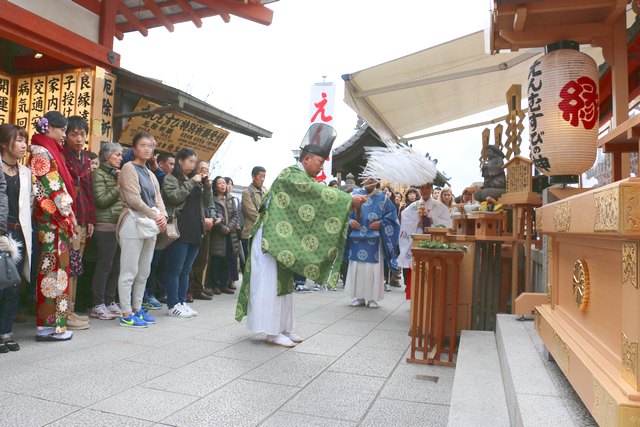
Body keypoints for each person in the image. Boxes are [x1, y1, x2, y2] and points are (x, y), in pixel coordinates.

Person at [236, 123, 366, 348]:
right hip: (269, 238)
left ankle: (284, 327)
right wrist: (347, 200)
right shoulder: (291, 174)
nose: (321, 168)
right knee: (270, 282)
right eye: (320, 162)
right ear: (306, 158)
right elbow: (315, 193)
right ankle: (271, 330)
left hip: (279, 238)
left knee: (283, 282)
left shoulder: (300, 176)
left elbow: (313, 198)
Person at [30, 111, 75, 341]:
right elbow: (51, 189)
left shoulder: (49, 150)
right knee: (51, 271)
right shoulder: (40, 151)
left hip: (55, 220)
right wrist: (67, 214)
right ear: (48, 128)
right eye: (62, 130)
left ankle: (54, 324)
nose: (64, 135)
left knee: (56, 271)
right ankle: (48, 326)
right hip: (52, 220)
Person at [117, 132, 167, 328]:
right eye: (143, 145)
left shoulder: (151, 173)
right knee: (129, 270)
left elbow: (158, 199)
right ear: (135, 149)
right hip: (132, 221)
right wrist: (156, 215)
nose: (147, 149)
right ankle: (126, 312)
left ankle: (137, 308)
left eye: (150, 146)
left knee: (144, 271)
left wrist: (163, 215)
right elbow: (132, 199)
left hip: (150, 224)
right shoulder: (128, 168)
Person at [162, 148, 212, 317]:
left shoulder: (195, 180)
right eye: (190, 161)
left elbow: (207, 203)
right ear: (180, 161)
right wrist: (192, 182)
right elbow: (174, 197)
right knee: (175, 269)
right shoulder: (171, 178)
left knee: (186, 270)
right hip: (179, 230)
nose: (193, 165)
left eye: (194, 162)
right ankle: (172, 304)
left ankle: (182, 302)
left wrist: (207, 186)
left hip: (196, 230)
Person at [346, 178, 399, 308]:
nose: (370, 181)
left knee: (373, 270)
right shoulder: (354, 194)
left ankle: (372, 298)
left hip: (374, 239)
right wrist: (349, 222)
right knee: (358, 268)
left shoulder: (383, 197)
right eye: (367, 178)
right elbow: (341, 212)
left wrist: (381, 223)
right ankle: (358, 297)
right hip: (356, 237)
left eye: (373, 179)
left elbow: (392, 216)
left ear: (377, 181)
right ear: (363, 179)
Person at [63, 116, 95, 330]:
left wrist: (91, 219)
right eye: (74, 133)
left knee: (76, 266)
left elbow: (89, 192)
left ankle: (72, 309)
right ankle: (65, 312)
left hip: (83, 221)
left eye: (82, 134)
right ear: (65, 135)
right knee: (68, 266)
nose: (79, 138)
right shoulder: (63, 157)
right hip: (68, 221)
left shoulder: (85, 159)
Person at [0, 124, 30, 352]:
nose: (24, 145)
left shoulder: (26, 172)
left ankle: (6, 332)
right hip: (1, 231)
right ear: (4, 143)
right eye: (19, 140)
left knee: (13, 283)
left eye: (24, 140)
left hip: (18, 234)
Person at [398, 182, 452, 299]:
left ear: (432, 189)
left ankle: (432, 296)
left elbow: (448, 223)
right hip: (418, 241)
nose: (425, 190)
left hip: (434, 241)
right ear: (419, 189)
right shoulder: (414, 206)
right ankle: (416, 298)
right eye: (422, 188)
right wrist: (417, 223)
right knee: (417, 269)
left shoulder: (440, 206)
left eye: (428, 187)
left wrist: (433, 219)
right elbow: (404, 217)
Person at [90, 142, 123, 320]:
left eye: (120, 155)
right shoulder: (98, 174)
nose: (120, 158)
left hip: (119, 225)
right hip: (105, 225)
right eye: (117, 155)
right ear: (106, 156)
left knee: (116, 266)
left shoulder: (115, 174)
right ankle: (98, 304)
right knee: (105, 265)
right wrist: (118, 187)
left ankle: (110, 300)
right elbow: (101, 201)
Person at [188, 160, 219, 301]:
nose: (205, 171)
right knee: (190, 261)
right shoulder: (192, 181)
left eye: (207, 168)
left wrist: (212, 218)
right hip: (194, 225)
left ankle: (198, 289)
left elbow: (210, 204)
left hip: (207, 227)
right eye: (202, 168)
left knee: (202, 260)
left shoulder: (207, 185)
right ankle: (188, 291)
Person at [206, 176, 239, 295]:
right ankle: (215, 285)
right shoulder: (212, 199)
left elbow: (236, 215)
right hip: (218, 234)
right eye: (219, 183)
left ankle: (224, 284)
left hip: (230, 234)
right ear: (215, 186)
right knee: (217, 259)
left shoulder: (230, 199)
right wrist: (222, 228)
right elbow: (213, 215)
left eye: (224, 183)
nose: (223, 185)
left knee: (228, 259)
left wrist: (229, 228)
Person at [240, 166, 266, 271]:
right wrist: (266, 218)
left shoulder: (265, 191)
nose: (263, 179)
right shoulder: (247, 192)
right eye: (260, 177)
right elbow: (251, 213)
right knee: (249, 265)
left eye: (264, 177)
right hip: (250, 233)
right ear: (253, 177)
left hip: (263, 233)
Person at [225, 177, 241, 290]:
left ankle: (232, 280)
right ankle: (226, 280)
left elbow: (238, 214)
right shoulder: (223, 198)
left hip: (235, 231)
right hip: (227, 229)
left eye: (231, 184)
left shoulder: (235, 198)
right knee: (227, 256)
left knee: (234, 256)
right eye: (227, 183)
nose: (229, 186)